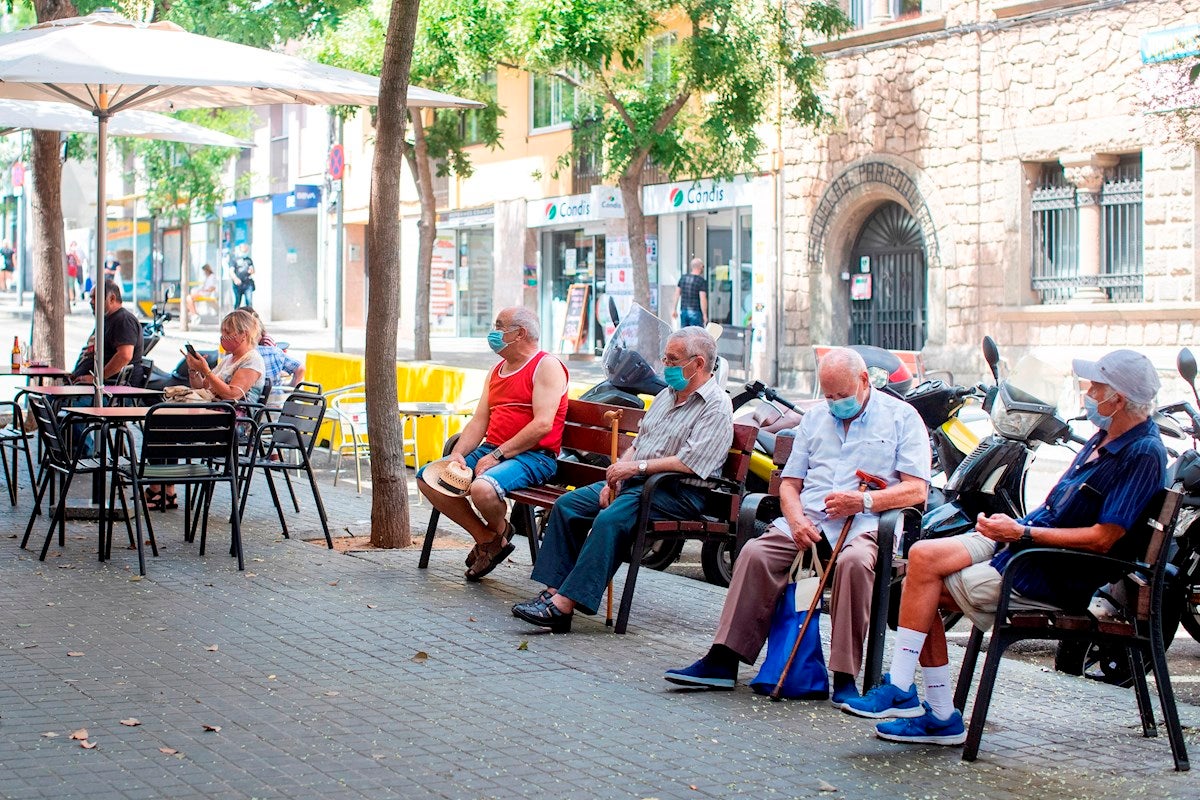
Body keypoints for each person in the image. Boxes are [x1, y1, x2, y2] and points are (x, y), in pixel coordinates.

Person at [842, 349, 1167, 747]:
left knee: (921, 592)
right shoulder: (1105, 436)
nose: (1089, 393)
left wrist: (1023, 535)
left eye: (1097, 388)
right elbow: (1055, 509)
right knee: (922, 556)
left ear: (1117, 399)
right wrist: (1005, 529)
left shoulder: (1141, 453)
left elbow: (1103, 538)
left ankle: (936, 711)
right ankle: (905, 691)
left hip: (1049, 569)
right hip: (1024, 544)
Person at [663, 347, 929, 697]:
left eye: (842, 396)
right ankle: (723, 659)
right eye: (829, 395)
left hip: (865, 525)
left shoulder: (901, 417)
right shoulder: (817, 418)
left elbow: (916, 490)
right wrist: (796, 518)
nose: (835, 403)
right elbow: (790, 484)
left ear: (864, 381)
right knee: (756, 554)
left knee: (853, 564)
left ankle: (845, 676)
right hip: (808, 521)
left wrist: (863, 500)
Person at [511, 326, 734, 632]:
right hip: (642, 482)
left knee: (610, 520)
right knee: (568, 505)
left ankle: (564, 606)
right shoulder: (666, 396)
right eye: (665, 358)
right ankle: (552, 592)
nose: (666, 366)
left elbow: (691, 463)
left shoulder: (717, 405)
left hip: (678, 491)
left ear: (697, 364)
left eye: (672, 360)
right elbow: (639, 443)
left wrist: (635, 469)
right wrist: (613, 478)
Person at [418, 306, 569, 580]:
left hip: (534, 456)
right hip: (494, 450)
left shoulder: (546, 366)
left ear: (520, 333)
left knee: (483, 490)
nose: (493, 332)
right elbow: (479, 420)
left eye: (499, 326)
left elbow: (542, 424)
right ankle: (490, 538)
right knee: (428, 478)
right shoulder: (496, 370)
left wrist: (498, 455)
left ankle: (493, 539)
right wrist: (458, 454)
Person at [146, 309, 266, 510]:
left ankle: (161, 488)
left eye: (228, 333)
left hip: (231, 422)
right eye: (222, 333)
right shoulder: (229, 359)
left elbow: (231, 394)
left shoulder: (252, 360)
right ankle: (164, 489)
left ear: (243, 334)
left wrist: (207, 371)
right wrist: (194, 369)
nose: (223, 338)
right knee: (159, 422)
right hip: (212, 414)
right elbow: (203, 390)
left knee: (164, 423)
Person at [70, 279, 144, 386]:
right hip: (87, 385)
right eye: (91, 298)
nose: (91, 302)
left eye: (95, 297)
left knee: (55, 401)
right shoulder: (105, 320)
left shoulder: (124, 320)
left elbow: (125, 355)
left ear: (112, 298)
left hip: (111, 392)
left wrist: (98, 378)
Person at [673, 258, 707, 328]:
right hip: (696, 312)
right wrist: (704, 315)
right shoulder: (701, 281)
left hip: (684, 311)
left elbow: (676, 294)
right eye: (703, 266)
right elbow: (702, 299)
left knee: (685, 335)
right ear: (700, 267)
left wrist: (674, 309)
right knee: (696, 335)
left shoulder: (683, 278)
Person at [228, 244, 255, 309]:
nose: (245, 251)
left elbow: (253, 270)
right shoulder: (234, 260)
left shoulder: (249, 260)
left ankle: (249, 317)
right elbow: (231, 271)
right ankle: (235, 317)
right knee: (237, 302)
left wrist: (251, 271)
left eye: (246, 250)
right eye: (244, 250)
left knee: (249, 301)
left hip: (248, 284)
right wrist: (235, 279)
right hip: (238, 285)